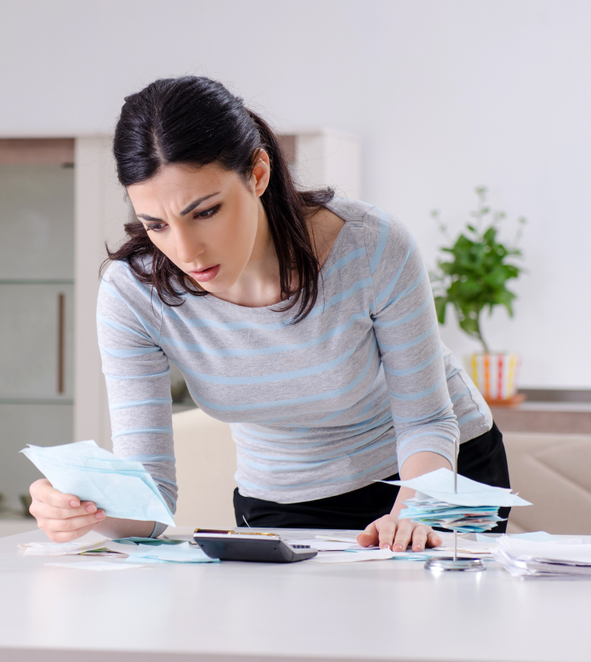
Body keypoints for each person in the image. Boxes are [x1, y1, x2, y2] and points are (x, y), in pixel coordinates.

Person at [29, 76, 511, 552]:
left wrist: (412, 514)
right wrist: (81, 510)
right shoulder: (133, 294)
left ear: (258, 174)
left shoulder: (371, 247)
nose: (186, 250)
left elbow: (426, 421)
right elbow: (149, 498)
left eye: (206, 211)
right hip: (282, 495)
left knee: (430, 621)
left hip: (436, 474)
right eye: (157, 224)